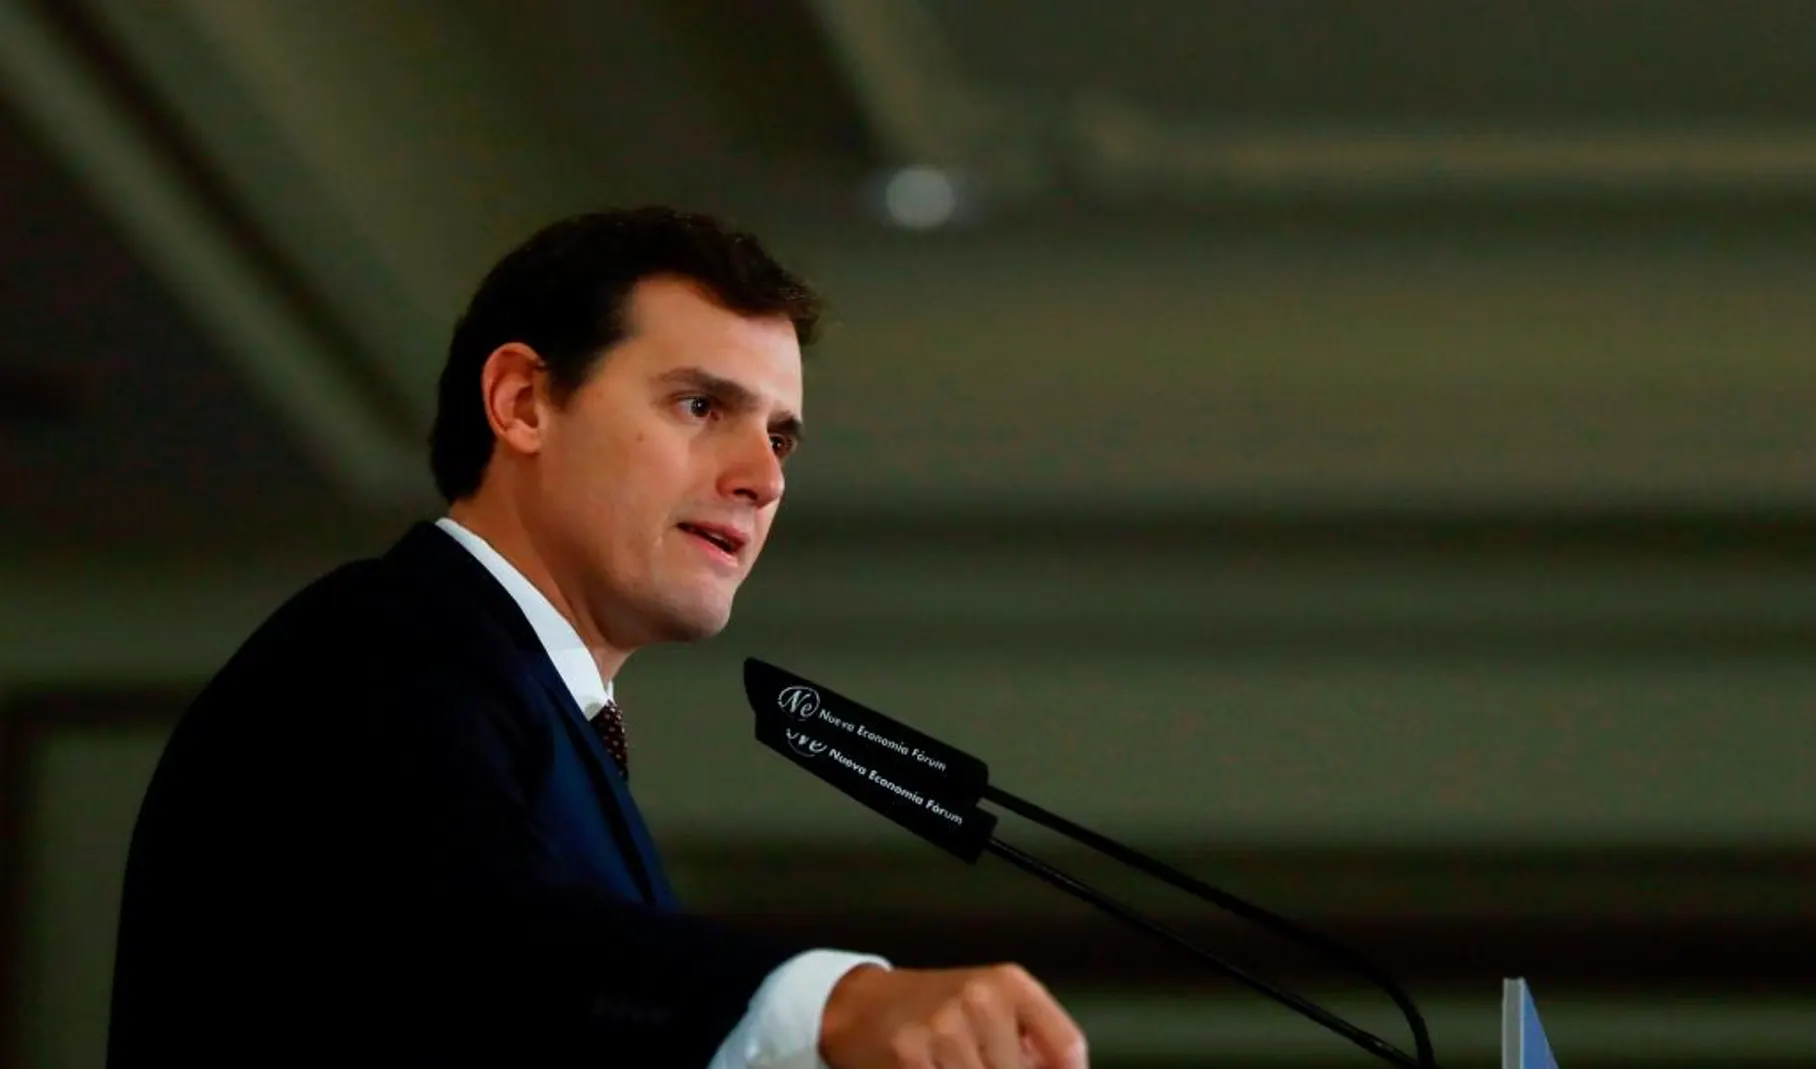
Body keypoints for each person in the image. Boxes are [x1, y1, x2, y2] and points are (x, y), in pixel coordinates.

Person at [106, 207, 1088, 1069]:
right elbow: (474, 940)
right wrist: (835, 1001)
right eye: (701, 405)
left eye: (781, 436)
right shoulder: (376, 647)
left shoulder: (525, 703)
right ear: (524, 402)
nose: (763, 476)